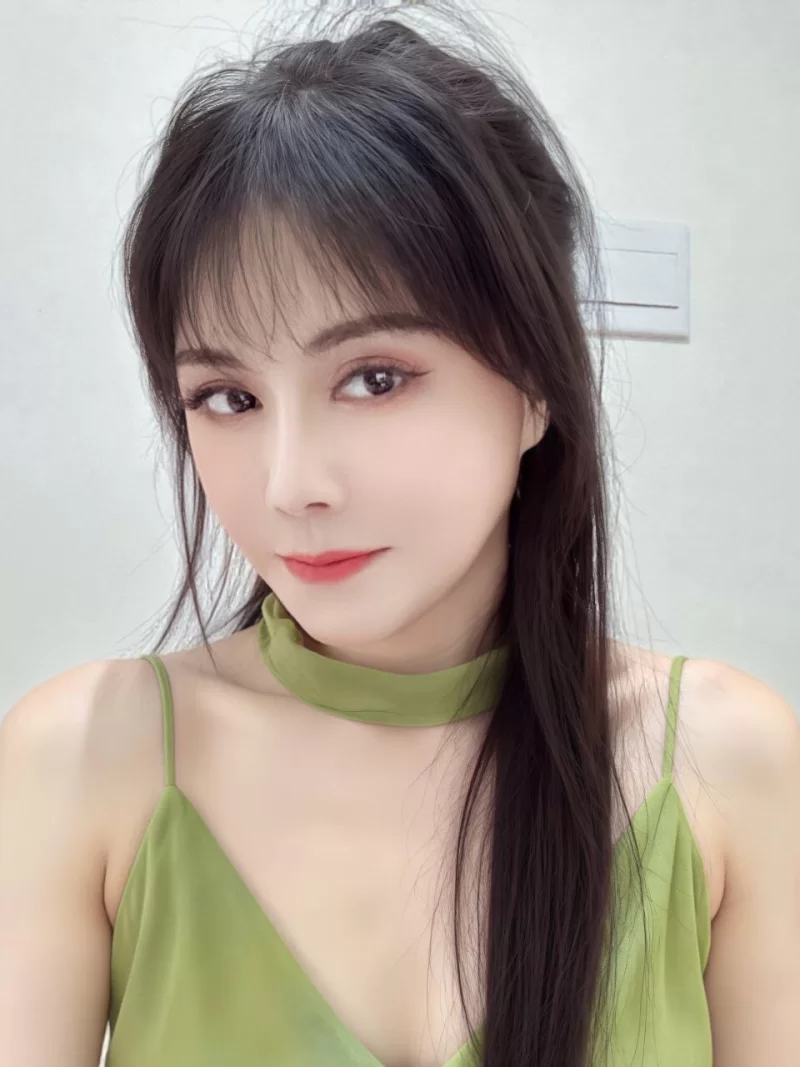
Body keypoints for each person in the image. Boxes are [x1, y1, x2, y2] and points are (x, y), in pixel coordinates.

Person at [1, 3, 799, 1066]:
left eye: (374, 378)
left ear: (535, 383)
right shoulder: (83, 757)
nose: (291, 484)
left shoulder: (721, 761)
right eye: (227, 397)